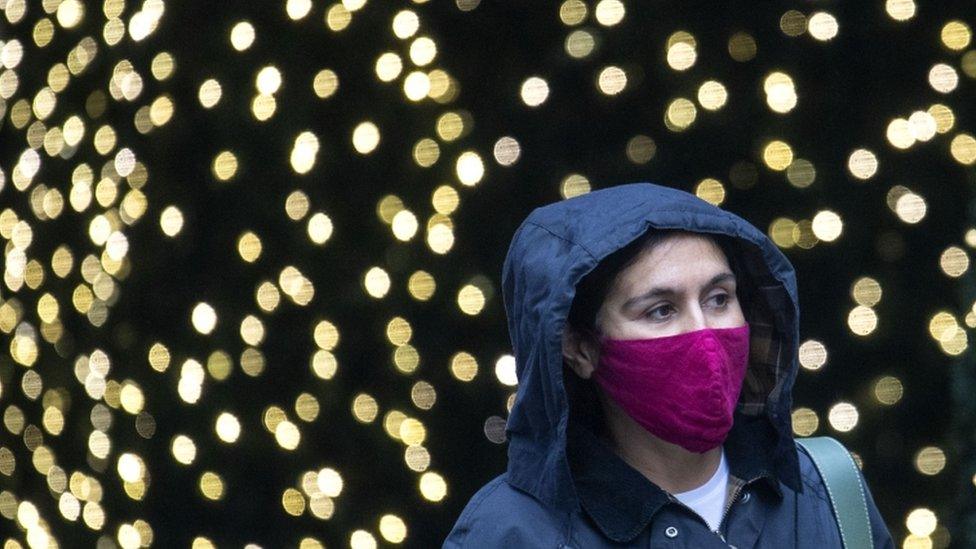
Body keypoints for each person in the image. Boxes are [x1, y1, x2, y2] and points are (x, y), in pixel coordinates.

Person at [444, 182, 894, 547]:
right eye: (661, 310)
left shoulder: (826, 492)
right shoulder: (510, 534)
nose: (702, 333)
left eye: (719, 299)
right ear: (579, 349)